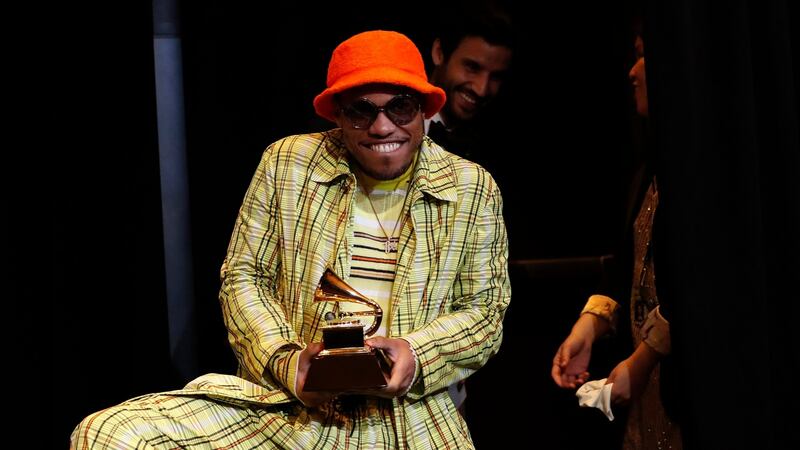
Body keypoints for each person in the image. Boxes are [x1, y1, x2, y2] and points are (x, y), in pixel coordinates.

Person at [71, 30, 510, 449]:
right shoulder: (288, 164)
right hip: (290, 407)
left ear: (422, 110)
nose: (382, 128)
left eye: (400, 107)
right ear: (337, 113)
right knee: (111, 434)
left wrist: (416, 355)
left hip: (408, 416)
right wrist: (289, 360)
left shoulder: (471, 187)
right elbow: (244, 277)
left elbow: (485, 312)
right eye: (361, 110)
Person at [550, 31, 683, 450]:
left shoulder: (708, 175)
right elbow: (629, 266)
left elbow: (708, 284)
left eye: (644, 56)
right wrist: (588, 327)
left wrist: (645, 359)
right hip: (647, 395)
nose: (632, 71)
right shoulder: (651, 168)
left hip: (691, 386)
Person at [424, 2, 514, 168]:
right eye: (472, 67)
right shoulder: (388, 123)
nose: (482, 89)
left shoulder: (496, 151)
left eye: (495, 77)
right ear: (439, 53)